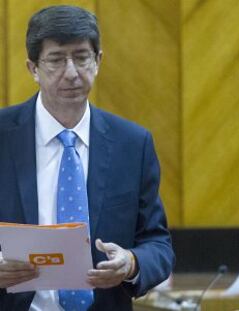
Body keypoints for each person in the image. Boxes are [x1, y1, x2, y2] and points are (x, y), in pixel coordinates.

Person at [0, 5, 174, 311]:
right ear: (32, 69)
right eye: (56, 60)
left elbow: (158, 244)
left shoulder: (132, 144)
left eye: (82, 58)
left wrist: (131, 263)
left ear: (98, 61)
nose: (71, 73)